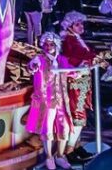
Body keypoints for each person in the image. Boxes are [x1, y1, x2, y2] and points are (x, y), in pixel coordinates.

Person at [61, 12, 108, 163]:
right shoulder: (69, 41)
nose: (81, 27)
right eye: (77, 24)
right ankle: (70, 151)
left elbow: (88, 56)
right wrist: (104, 58)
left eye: (81, 24)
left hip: (82, 81)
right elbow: (80, 58)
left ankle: (76, 146)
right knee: (79, 116)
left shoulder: (75, 38)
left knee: (80, 115)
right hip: (77, 82)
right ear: (70, 26)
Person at [25, 33, 73, 169]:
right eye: (46, 44)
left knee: (64, 126)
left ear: (56, 45)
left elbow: (70, 71)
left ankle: (60, 156)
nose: (48, 47)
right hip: (47, 100)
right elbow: (31, 67)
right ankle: (49, 157)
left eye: (51, 44)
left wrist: (80, 71)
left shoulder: (62, 59)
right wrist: (32, 67)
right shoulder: (39, 59)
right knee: (47, 128)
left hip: (61, 99)